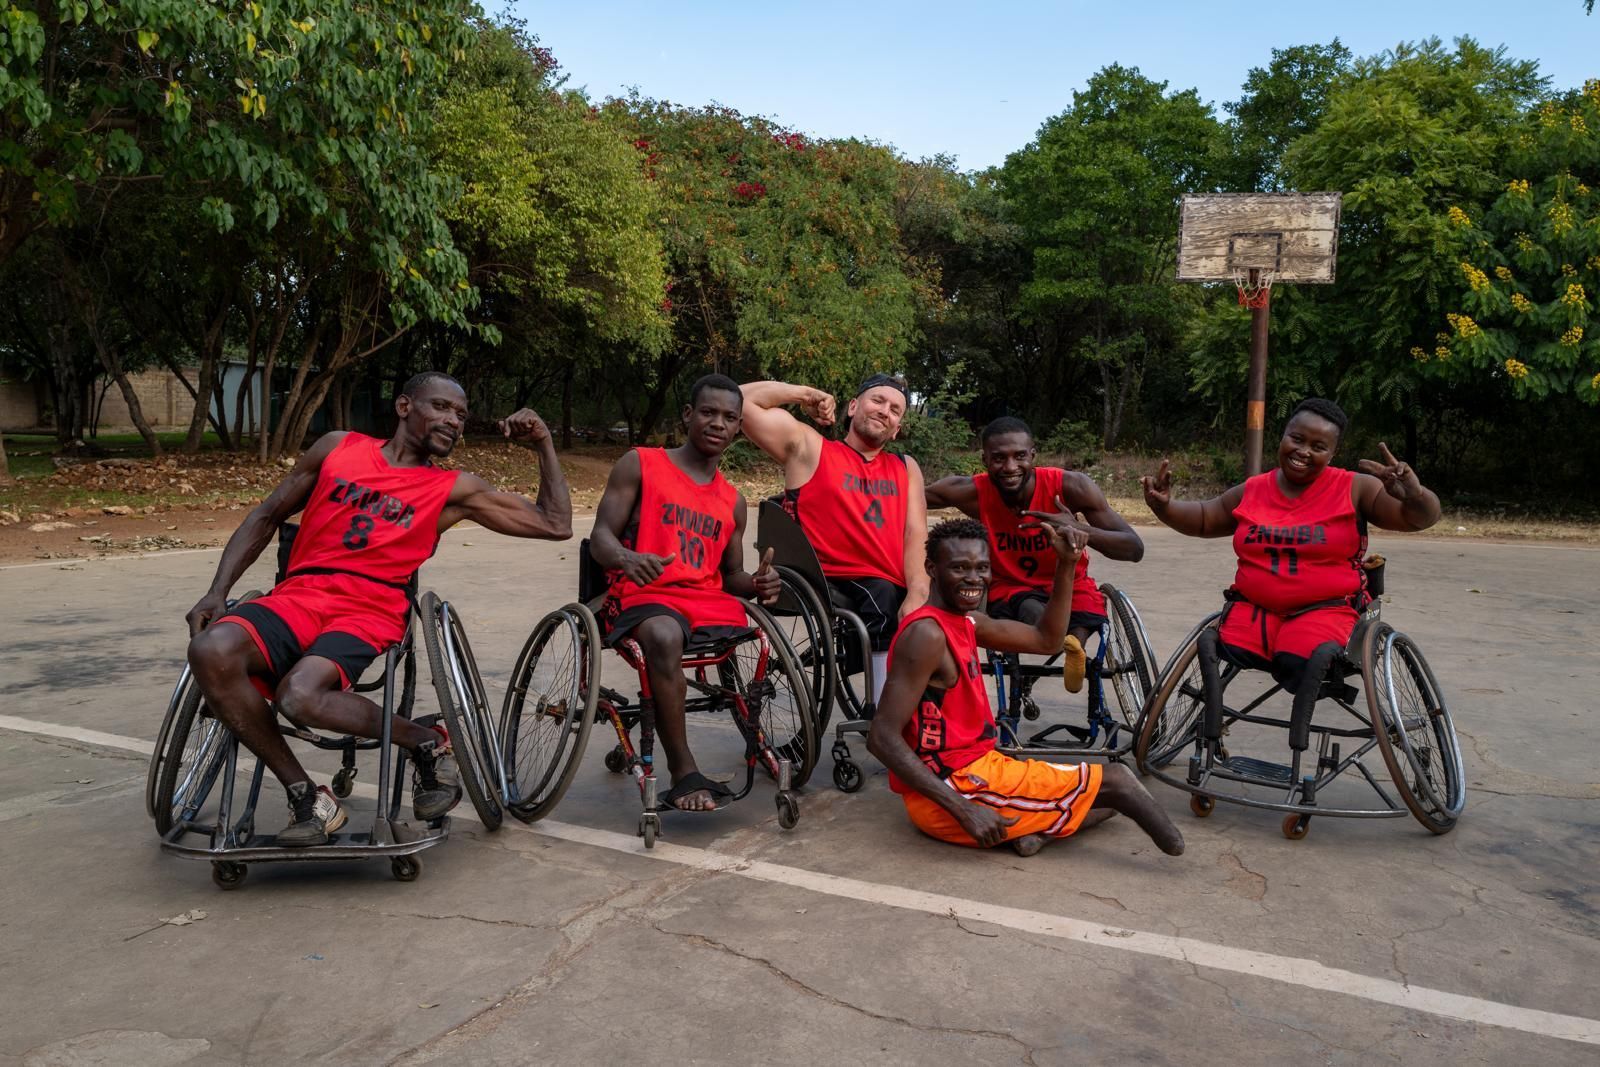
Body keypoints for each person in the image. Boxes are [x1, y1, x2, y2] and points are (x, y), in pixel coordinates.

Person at [186, 372, 573, 846]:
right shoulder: (337, 448)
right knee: (211, 649)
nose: (453, 421)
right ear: (404, 406)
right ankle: (307, 796)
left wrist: (544, 445)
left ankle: (423, 740)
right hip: (299, 595)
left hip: (369, 608)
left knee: (298, 698)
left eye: (461, 415)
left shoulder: (453, 489)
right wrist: (216, 591)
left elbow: (555, 525)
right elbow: (267, 514)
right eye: (442, 407)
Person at [866, 518, 1184, 857]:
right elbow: (881, 737)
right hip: (952, 791)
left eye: (982, 568)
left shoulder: (967, 621)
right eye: (959, 568)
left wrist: (1066, 565)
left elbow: (1047, 641)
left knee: (1105, 796)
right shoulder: (926, 634)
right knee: (1118, 781)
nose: (974, 579)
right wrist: (964, 809)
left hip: (978, 771)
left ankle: (1037, 831)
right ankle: (1179, 857)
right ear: (931, 567)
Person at [1141, 397, 1441, 694]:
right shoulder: (1254, 489)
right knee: (1214, 645)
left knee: (1299, 660)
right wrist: (1165, 508)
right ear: (1283, 437)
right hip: (1256, 611)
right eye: (1297, 439)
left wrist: (1415, 496)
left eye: (1318, 446)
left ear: (1332, 453)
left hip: (1326, 612)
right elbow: (1206, 518)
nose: (1303, 451)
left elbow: (1417, 519)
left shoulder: (1355, 488)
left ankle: (1298, 736)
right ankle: (1211, 735)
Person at [590, 374, 781, 813]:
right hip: (642, 594)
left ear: (738, 429)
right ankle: (683, 769)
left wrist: (758, 583)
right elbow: (600, 538)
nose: (718, 423)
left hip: (703, 601)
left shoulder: (731, 500)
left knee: (759, 637)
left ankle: (759, 750)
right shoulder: (640, 463)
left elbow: (731, 575)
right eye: (709, 412)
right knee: (663, 635)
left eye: (729, 417)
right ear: (688, 415)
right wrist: (625, 557)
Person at [739, 374, 929, 707]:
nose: (885, 411)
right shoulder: (811, 447)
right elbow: (735, 402)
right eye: (877, 401)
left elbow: (916, 534)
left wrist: (918, 591)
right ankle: (886, 719)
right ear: (853, 407)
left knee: (941, 602)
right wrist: (803, 393)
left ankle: (929, 711)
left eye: (896, 410)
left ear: (897, 428)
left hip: (890, 579)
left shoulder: (905, 467)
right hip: (827, 576)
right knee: (883, 596)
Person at [925, 416, 1144, 692]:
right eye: (999, 458)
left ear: (1033, 455)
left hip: (1070, 582)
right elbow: (906, 495)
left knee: (1081, 610)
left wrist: (1077, 527)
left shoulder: (1071, 487)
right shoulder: (971, 491)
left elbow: (1133, 548)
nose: (1010, 467)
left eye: (1019, 456)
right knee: (1029, 606)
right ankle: (1068, 641)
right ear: (984, 460)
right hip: (1012, 587)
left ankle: (1073, 647)